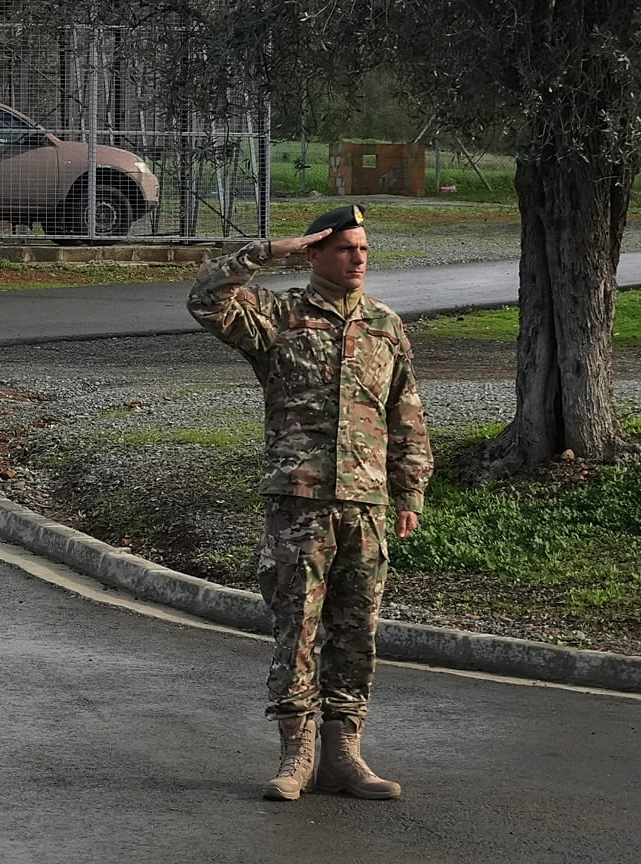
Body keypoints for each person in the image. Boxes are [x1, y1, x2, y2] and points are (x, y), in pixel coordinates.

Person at [186, 204, 434, 801]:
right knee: (296, 627)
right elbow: (204, 300)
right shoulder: (279, 316)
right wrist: (269, 251)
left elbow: (405, 413)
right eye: (346, 248)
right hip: (299, 505)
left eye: (365, 249)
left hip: (367, 503)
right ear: (316, 254)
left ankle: (344, 755)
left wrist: (410, 492)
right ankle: (296, 755)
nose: (359, 259)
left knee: (356, 631)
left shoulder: (384, 325)